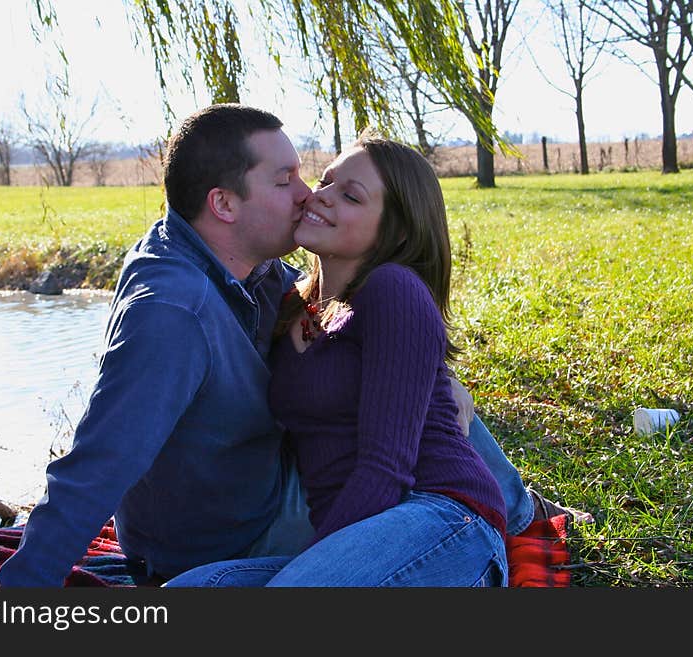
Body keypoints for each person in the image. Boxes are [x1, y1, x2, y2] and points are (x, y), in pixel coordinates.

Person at [0, 104, 584, 587]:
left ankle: (514, 511)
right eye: (289, 181)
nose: (308, 195)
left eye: (318, 180)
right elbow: (100, 461)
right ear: (224, 204)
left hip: (397, 513)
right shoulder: (177, 310)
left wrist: (435, 378)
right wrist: (21, 590)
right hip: (237, 532)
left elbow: (386, 453)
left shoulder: (266, 277)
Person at [163, 133, 508, 587]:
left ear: (396, 230)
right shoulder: (290, 305)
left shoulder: (393, 290)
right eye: (325, 181)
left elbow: (386, 473)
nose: (319, 197)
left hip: (442, 521)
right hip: (351, 537)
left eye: (349, 195)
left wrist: (312, 566)